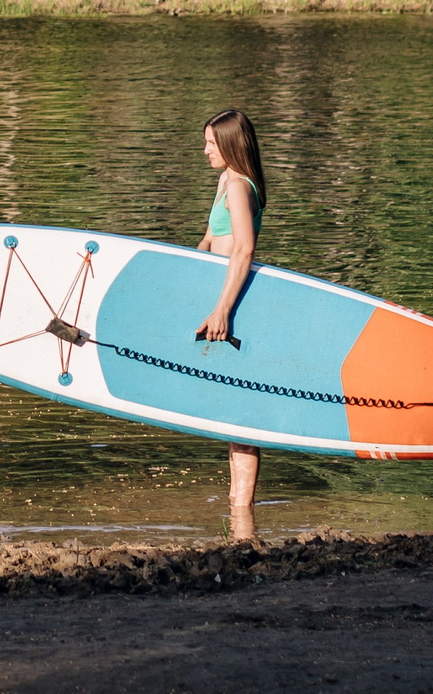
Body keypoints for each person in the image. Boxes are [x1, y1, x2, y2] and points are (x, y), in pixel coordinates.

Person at [192, 107, 267, 542]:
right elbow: (209, 239)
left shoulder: (240, 186)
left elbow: (243, 250)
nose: (205, 150)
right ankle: (239, 511)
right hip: (215, 299)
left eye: (211, 143)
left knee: (239, 413)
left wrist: (222, 309)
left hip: (233, 305)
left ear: (231, 145)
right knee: (227, 412)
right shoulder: (225, 181)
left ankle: (243, 515)